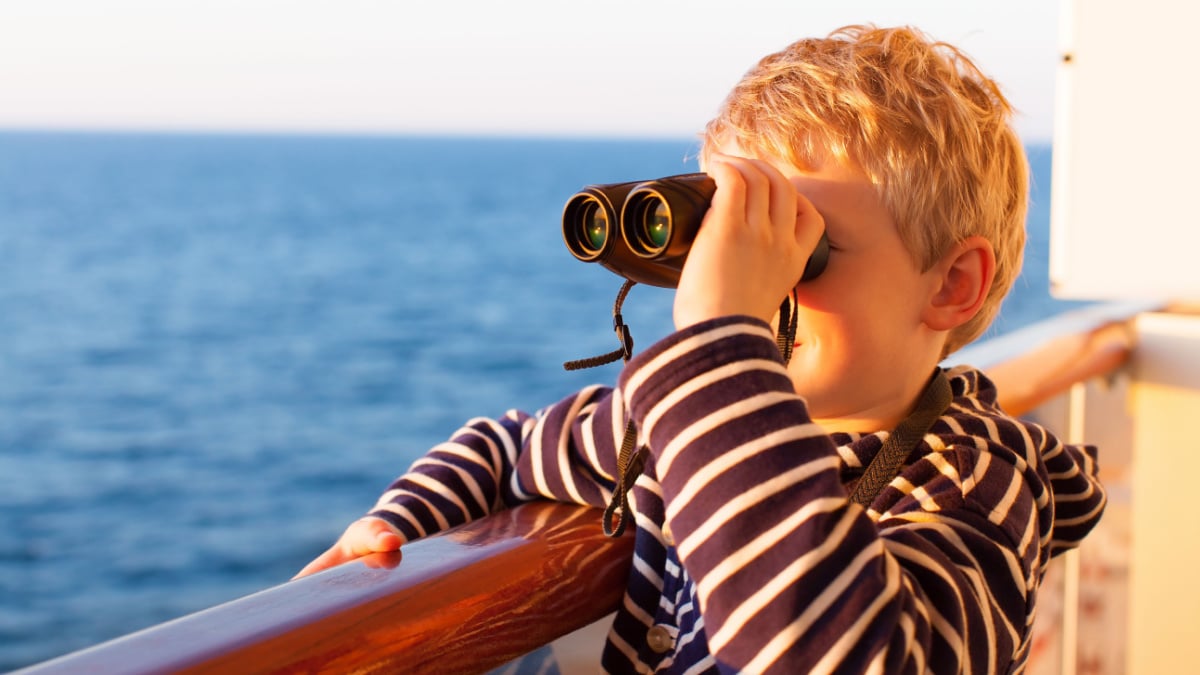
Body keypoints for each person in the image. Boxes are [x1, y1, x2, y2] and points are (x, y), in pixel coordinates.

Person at [297, 24, 1105, 674]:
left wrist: (722, 341)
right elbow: (504, 445)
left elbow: (832, 651)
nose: (756, 284)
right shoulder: (670, 427)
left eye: (801, 247)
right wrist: (398, 527)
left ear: (951, 284)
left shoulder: (975, 488)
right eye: (736, 242)